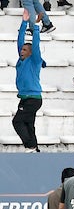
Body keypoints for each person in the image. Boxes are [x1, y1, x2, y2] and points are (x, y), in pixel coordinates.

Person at [14, 12, 45, 153]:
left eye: (25, 49)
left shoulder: (35, 60)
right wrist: (24, 22)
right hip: (25, 99)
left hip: (33, 98)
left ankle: (30, 146)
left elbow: (36, 46)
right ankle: (35, 149)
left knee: (17, 121)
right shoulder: (21, 61)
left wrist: (36, 27)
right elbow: (20, 41)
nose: (22, 50)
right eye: (22, 49)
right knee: (28, 124)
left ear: (31, 53)